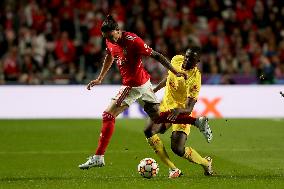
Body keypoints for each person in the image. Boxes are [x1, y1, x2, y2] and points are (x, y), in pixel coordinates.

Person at [78, 15, 189, 169]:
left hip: (133, 84)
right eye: (106, 38)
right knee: (158, 119)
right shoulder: (109, 40)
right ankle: (194, 120)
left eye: (112, 36)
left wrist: (175, 71)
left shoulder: (133, 41)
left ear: (118, 30)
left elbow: (156, 55)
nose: (110, 40)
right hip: (144, 83)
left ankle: (98, 156)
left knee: (108, 115)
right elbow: (110, 55)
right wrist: (100, 78)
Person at [144, 47, 214, 178]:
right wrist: (155, 89)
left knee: (177, 149)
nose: (186, 60)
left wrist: (179, 110)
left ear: (197, 61)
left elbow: (189, 107)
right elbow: (169, 77)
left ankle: (205, 162)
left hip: (180, 112)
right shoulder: (176, 59)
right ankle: (173, 169)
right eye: (186, 56)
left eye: (191, 59)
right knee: (149, 130)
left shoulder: (194, 79)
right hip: (165, 106)